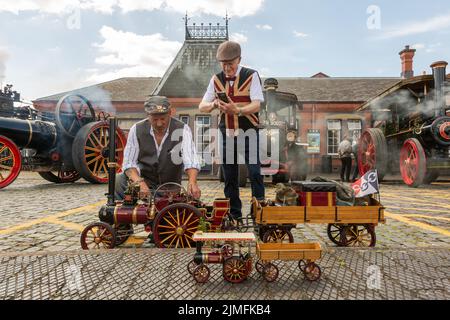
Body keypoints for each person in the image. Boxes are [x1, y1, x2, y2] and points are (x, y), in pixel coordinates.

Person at [199, 40, 265, 221]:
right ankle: (235, 213)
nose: (227, 68)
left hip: (249, 131)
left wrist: (239, 110)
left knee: (255, 172)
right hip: (226, 133)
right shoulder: (216, 79)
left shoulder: (251, 76)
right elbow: (201, 106)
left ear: (239, 60)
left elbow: (257, 104)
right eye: (224, 64)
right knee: (229, 175)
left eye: (231, 64)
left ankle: (258, 213)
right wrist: (213, 104)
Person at [116, 96, 201, 200]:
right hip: (144, 184)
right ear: (148, 115)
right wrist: (139, 182)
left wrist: (192, 182)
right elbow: (129, 163)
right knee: (118, 180)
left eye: (163, 119)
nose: (159, 123)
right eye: (155, 119)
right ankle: (123, 213)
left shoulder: (183, 129)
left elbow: (191, 160)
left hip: (170, 189)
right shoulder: (136, 129)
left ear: (170, 113)